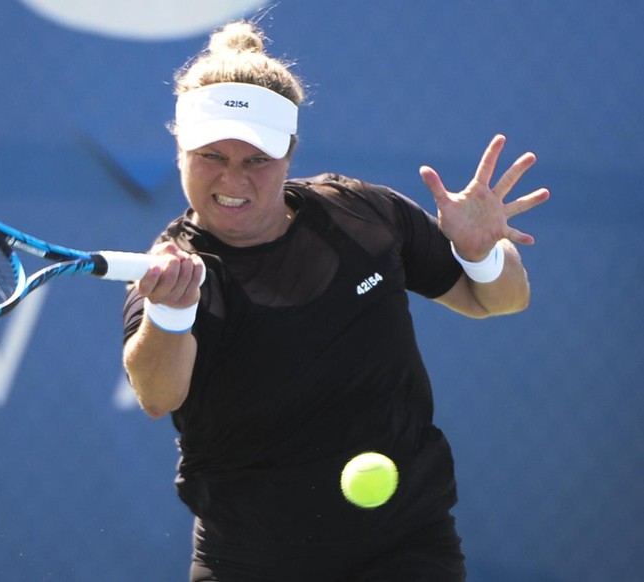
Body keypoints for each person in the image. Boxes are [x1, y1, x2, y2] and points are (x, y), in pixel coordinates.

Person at [122, 20, 549, 582]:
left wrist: (482, 255)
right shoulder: (174, 269)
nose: (233, 178)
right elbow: (157, 395)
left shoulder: (363, 215)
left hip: (407, 546)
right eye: (211, 156)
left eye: (256, 159)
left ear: (290, 152)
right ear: (179, 148)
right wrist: (171, 313)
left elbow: (499, 300)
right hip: (249, 560)